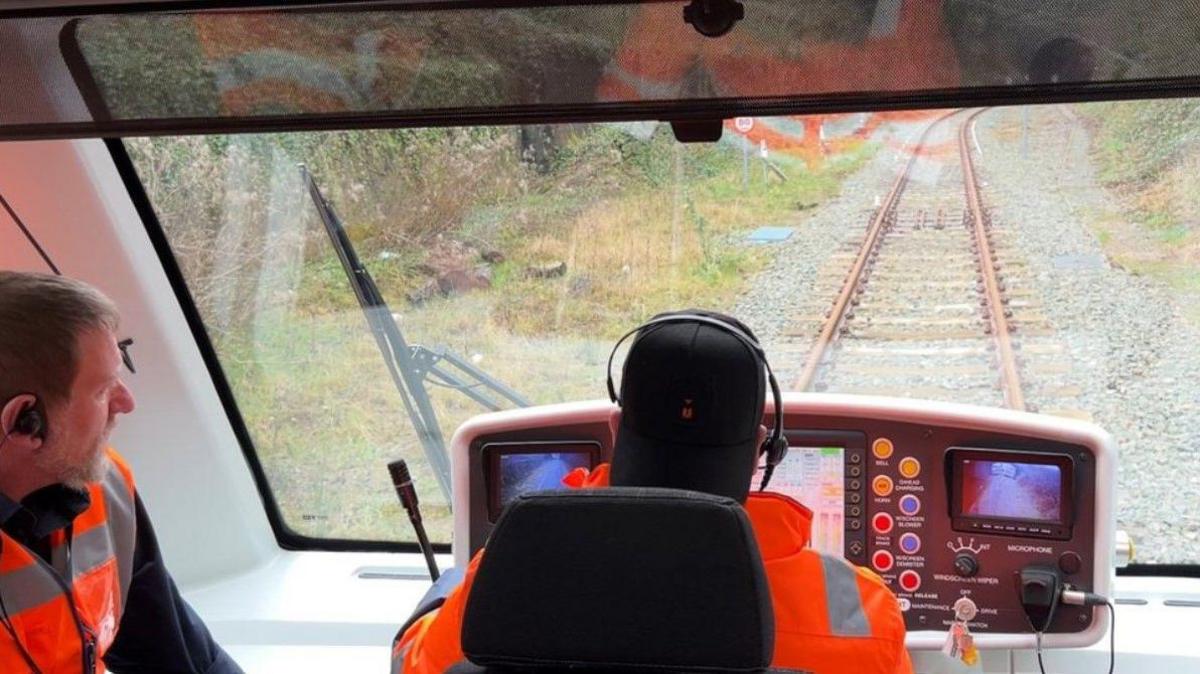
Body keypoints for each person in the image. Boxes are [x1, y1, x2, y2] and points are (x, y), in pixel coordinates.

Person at [393, 310, 911, 674]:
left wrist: (452, 587)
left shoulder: (506, 579)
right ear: (761, 448)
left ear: (616, 429)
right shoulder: (861, 613)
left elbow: (416, 664)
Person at [0, 271, 243, 673]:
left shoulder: (103, 487)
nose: (126, 402)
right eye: (101, 389)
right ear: (24, 421)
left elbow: (176, 655)